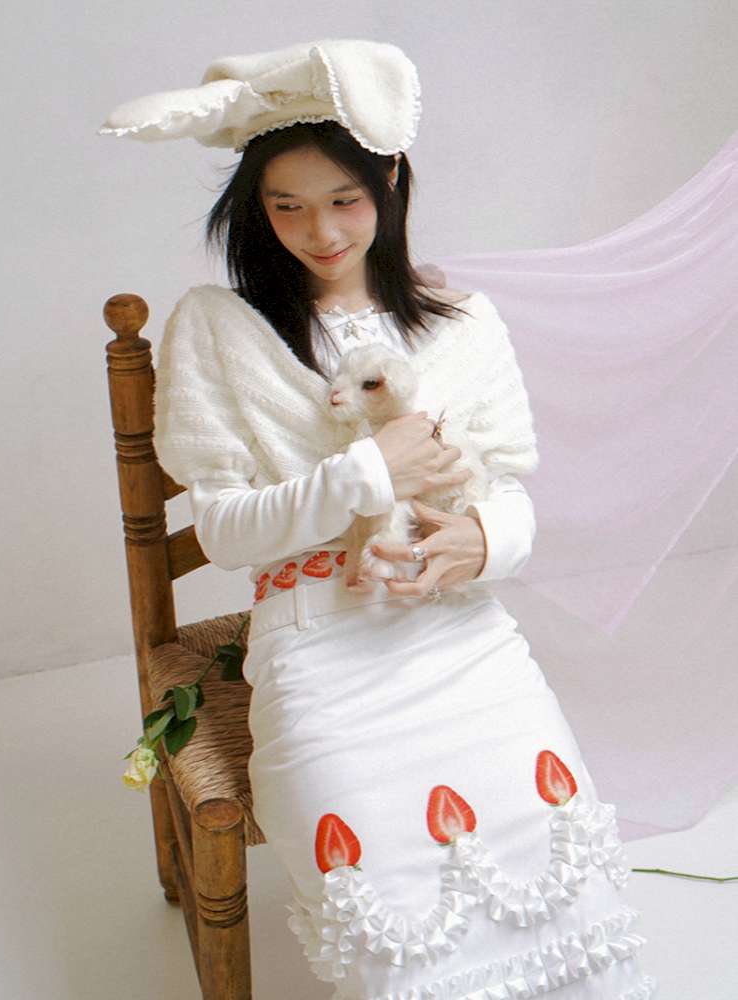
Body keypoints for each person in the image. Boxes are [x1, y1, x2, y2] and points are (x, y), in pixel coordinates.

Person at [102, 39, 657, 999]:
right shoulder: (220, 330)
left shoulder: (462, 324)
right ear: (254, 208)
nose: (318, 231)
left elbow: (511, 497)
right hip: (316, 648)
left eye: (344, 200)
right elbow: (227, 535)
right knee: (396, 934)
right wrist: (369, 472)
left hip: (461, 638)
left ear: (390, 181)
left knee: (561, 888)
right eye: (286, 206)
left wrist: (483, 542)